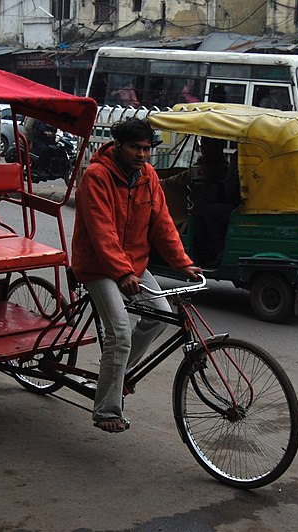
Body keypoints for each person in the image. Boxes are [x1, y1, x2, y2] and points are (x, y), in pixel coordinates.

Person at [71, 118, 201, 433]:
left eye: (146, 149)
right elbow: (102, 231)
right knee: (119, 333)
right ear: (118, 145)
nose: (142, 154)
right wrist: (123, 271)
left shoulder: (148, 176)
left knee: (160, 315)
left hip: (134, 265)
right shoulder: (96, 177)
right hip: (98, 267)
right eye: (135, 147)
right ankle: (106, 410)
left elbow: (162, 223)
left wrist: (181, 262)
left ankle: (114, 377)